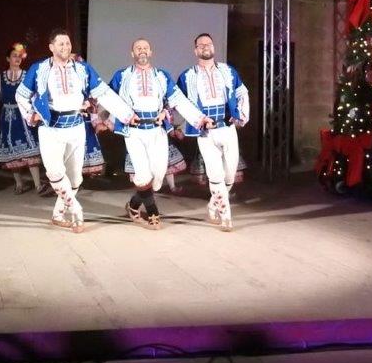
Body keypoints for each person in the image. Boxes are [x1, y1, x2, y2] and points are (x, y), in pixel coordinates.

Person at [16, 28, 137, 232]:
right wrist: (31, 114)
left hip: (76, 126)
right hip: (50, 128)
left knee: (75, 178)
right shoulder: (39, 69)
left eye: (68, 43)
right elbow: (21, 95)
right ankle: (76, 210)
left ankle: (58, 214)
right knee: (54, 172)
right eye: (61, 43)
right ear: (51, 47)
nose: (65, 47)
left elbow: (104, 94)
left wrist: (127, 114)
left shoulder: (82, 69)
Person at [108, 38, 210, 229]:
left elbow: (177, 99)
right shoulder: (122, 75)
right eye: (138, 48)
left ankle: (133, 205)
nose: (142, 50)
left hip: (157, 130)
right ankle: (152, 211)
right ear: (132, 53)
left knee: (158, 174)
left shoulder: (162, 76)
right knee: (143, 174)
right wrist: (101, 119)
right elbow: (107, 96)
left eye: (145, 48)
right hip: (134, 132)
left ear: (151, 52)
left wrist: (197, 118)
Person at [176, 33, 250, 231]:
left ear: (214, 47)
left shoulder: (227, 71)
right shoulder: (187, 76)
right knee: (215, 175)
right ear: (195, 51)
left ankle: (212, 205)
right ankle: (226, 216)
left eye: (208, 44)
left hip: (227, 128)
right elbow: (178, 101)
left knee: (229, 176)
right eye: (200, 45)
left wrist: (242, 115)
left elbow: (242, 92)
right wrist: (188, 123)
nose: (205, 47)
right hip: (205, 133)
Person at [0, 43, 48, 195]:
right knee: (11, 152)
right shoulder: (1, 78)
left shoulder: (26, 75)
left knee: (30, 149)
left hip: (23, 115)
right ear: (8, 58)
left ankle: (38, 185)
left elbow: (35, 95)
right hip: (7, 118)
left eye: (19, 56)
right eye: (14, 56)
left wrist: (37, 113)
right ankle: (19, 183)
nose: (17, 59)